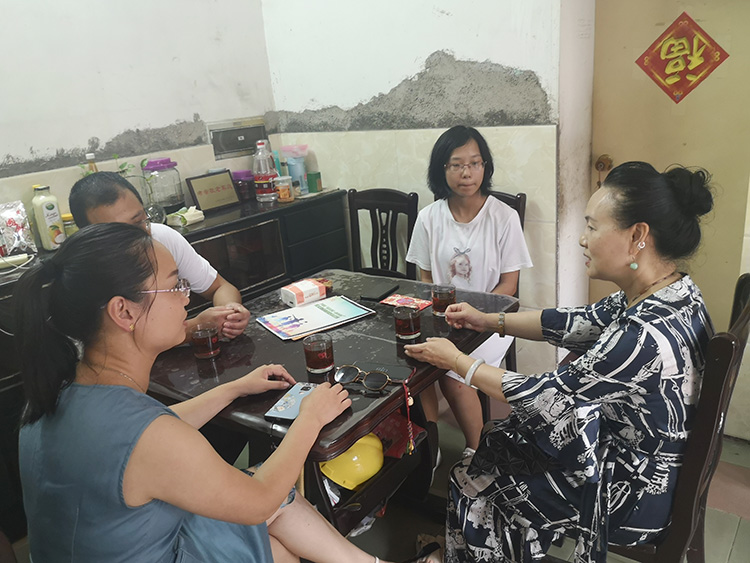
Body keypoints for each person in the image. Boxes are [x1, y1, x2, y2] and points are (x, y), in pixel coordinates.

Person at [15, 222, 443, 563]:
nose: (187, 299)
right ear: (123, 311)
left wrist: (234, 388)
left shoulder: (54, 393)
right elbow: (257, 502)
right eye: (174, 286)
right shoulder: (148, 437)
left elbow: (147, 438)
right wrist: (310, 417)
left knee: (274, 534)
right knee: (273, 522)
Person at [404, 161, 715, 562]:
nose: (583, 239)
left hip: (636, 492)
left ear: (637, 236)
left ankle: (472, 550)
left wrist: (457, 361)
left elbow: (545, 394)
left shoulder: (642, 335)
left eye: (592, 227)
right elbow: (571, 322)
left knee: (474, 477)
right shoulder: (672, 293)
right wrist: (488, 319)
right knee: (502, 443)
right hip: (650, 461)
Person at [405, 126, 533, 456]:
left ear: (485, 167)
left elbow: (508, 287)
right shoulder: (428, 218)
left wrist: (477, 317)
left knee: (451, 374)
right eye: (457, 164)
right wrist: (441, 317)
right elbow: (425, 280)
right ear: (441, 169)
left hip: (490, 322)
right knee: (415, 364)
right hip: (442, 320)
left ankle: (477, 452)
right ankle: (429, 448)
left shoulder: (503, 217)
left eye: (475, 163)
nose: (467, 173)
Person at [70, 172, 250, 341]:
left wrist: (229, 314)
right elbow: (120, 343)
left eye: (139, 222)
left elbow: (220, 287)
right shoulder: (82, 271)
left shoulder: (161, 238)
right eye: (117, 233)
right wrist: (195, 327)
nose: (135, 239)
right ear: (89, 235)